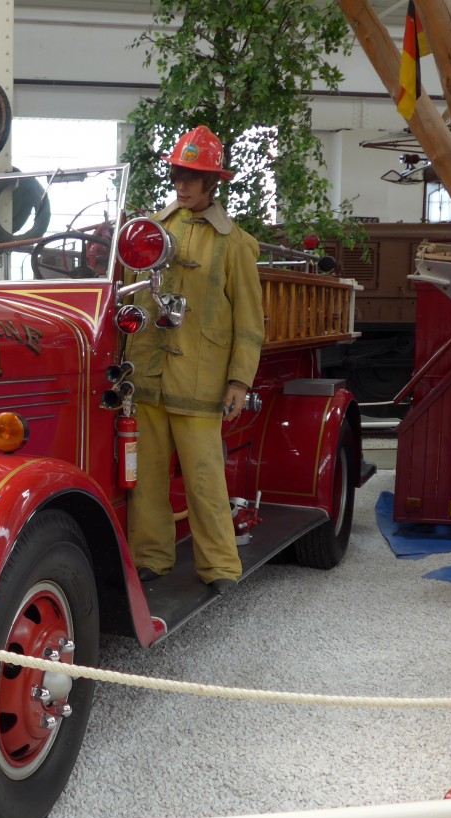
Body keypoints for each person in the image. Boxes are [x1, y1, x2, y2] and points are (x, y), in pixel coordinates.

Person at [125, 125, 265, 594]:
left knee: (205, 483)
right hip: (148, 376)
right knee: (145, 481)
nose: (182, 186)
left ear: (213, 184)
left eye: (192, 177)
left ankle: (221, 567)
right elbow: (131, 300)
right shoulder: (150, 231)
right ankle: (151, 559)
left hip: (201, 383)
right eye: (178, 175)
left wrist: (239, 382)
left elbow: (249, 322)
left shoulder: (236, 244)